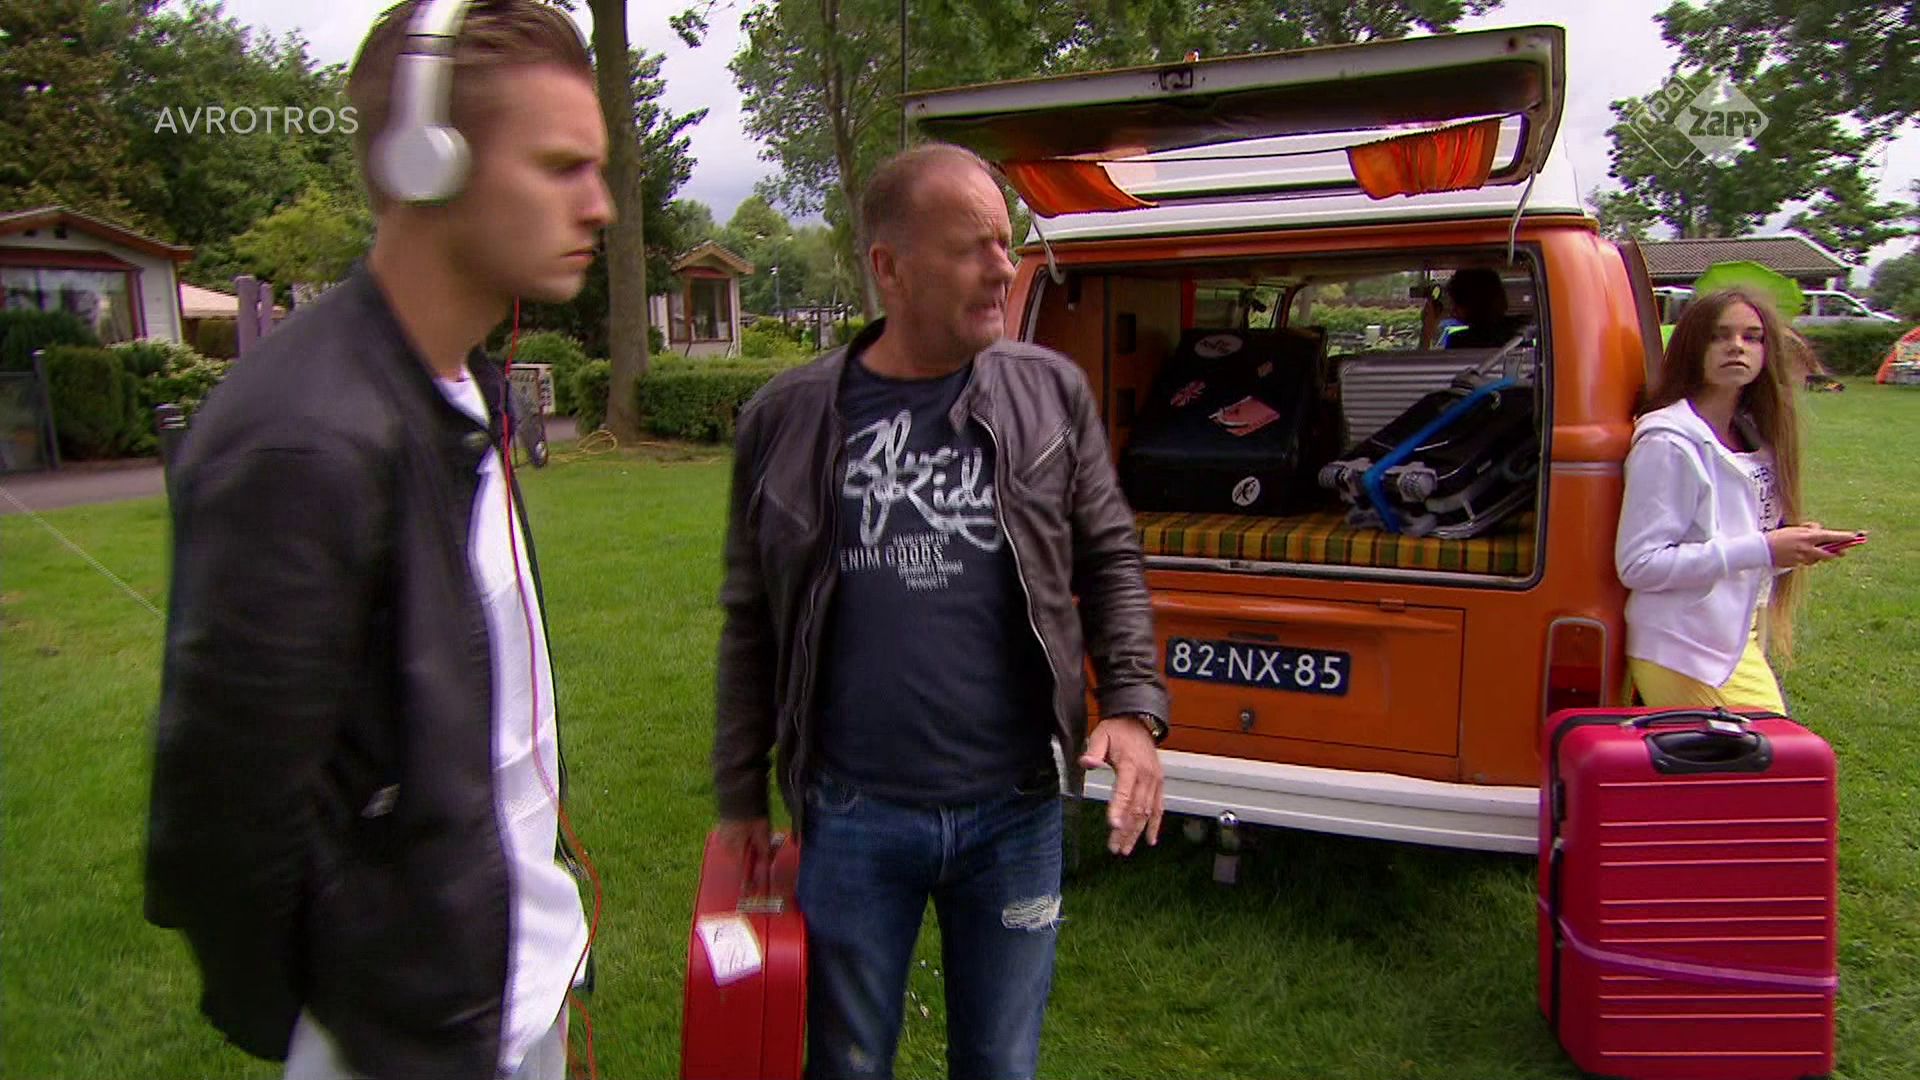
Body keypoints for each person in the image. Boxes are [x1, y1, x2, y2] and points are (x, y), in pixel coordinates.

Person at [143, 3, 611, 1077]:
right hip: (405, 1040)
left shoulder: (461, 395)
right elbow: (221, 829)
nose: (599, 205)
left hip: (515, 992)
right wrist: (359, 1025)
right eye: (560, 167)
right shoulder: (303, 437)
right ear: (426, 164)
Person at [711, 142, 1170, 1080]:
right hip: (852, 813)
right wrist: (739, 793)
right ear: (889, 268)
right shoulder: (784, 417)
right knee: (846, 1063)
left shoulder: (1050, 394)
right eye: (972, 249)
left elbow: (1110, 555)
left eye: (1006, 241)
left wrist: (1131, 705)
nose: (1004, 268)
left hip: (1015, 812)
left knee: (999, 1062)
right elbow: (751, 617)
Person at [1615, 288, 1859, 711]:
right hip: (1682, 650)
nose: (1736, 346)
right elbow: (1639, 565)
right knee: (1773, 750)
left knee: (1770, 750)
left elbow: (1738, 549)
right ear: (1693, 347)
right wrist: (1765, 548)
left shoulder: (1754, 438)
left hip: (1734, 644)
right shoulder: (1668, 442)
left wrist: (1793, 547)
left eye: (1752, 337)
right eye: (1719, 335)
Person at [1420, 267, 1525, 349]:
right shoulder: (1521, 333)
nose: (1453, 311)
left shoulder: (1459, 342)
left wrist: (1427, 331)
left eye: (1456, 304)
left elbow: (1432, 368)